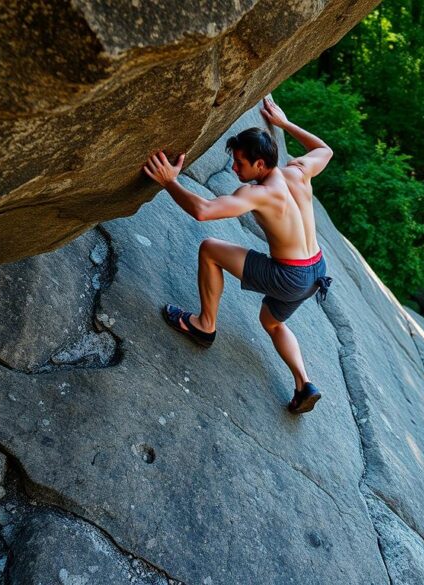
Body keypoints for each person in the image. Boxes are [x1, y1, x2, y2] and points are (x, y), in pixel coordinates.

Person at [142, 96, 333, 414]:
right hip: (316, 270)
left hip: (289, 275)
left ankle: (204, 325)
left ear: (260, 165)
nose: (233, 168)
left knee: (210, 250)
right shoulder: (298, 172)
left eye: (240, 163)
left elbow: (203, 211)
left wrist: (169, 182)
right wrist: (285, 124)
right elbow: (326, 150)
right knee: (271, 323)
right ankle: (304, 385)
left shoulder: (259, 194)